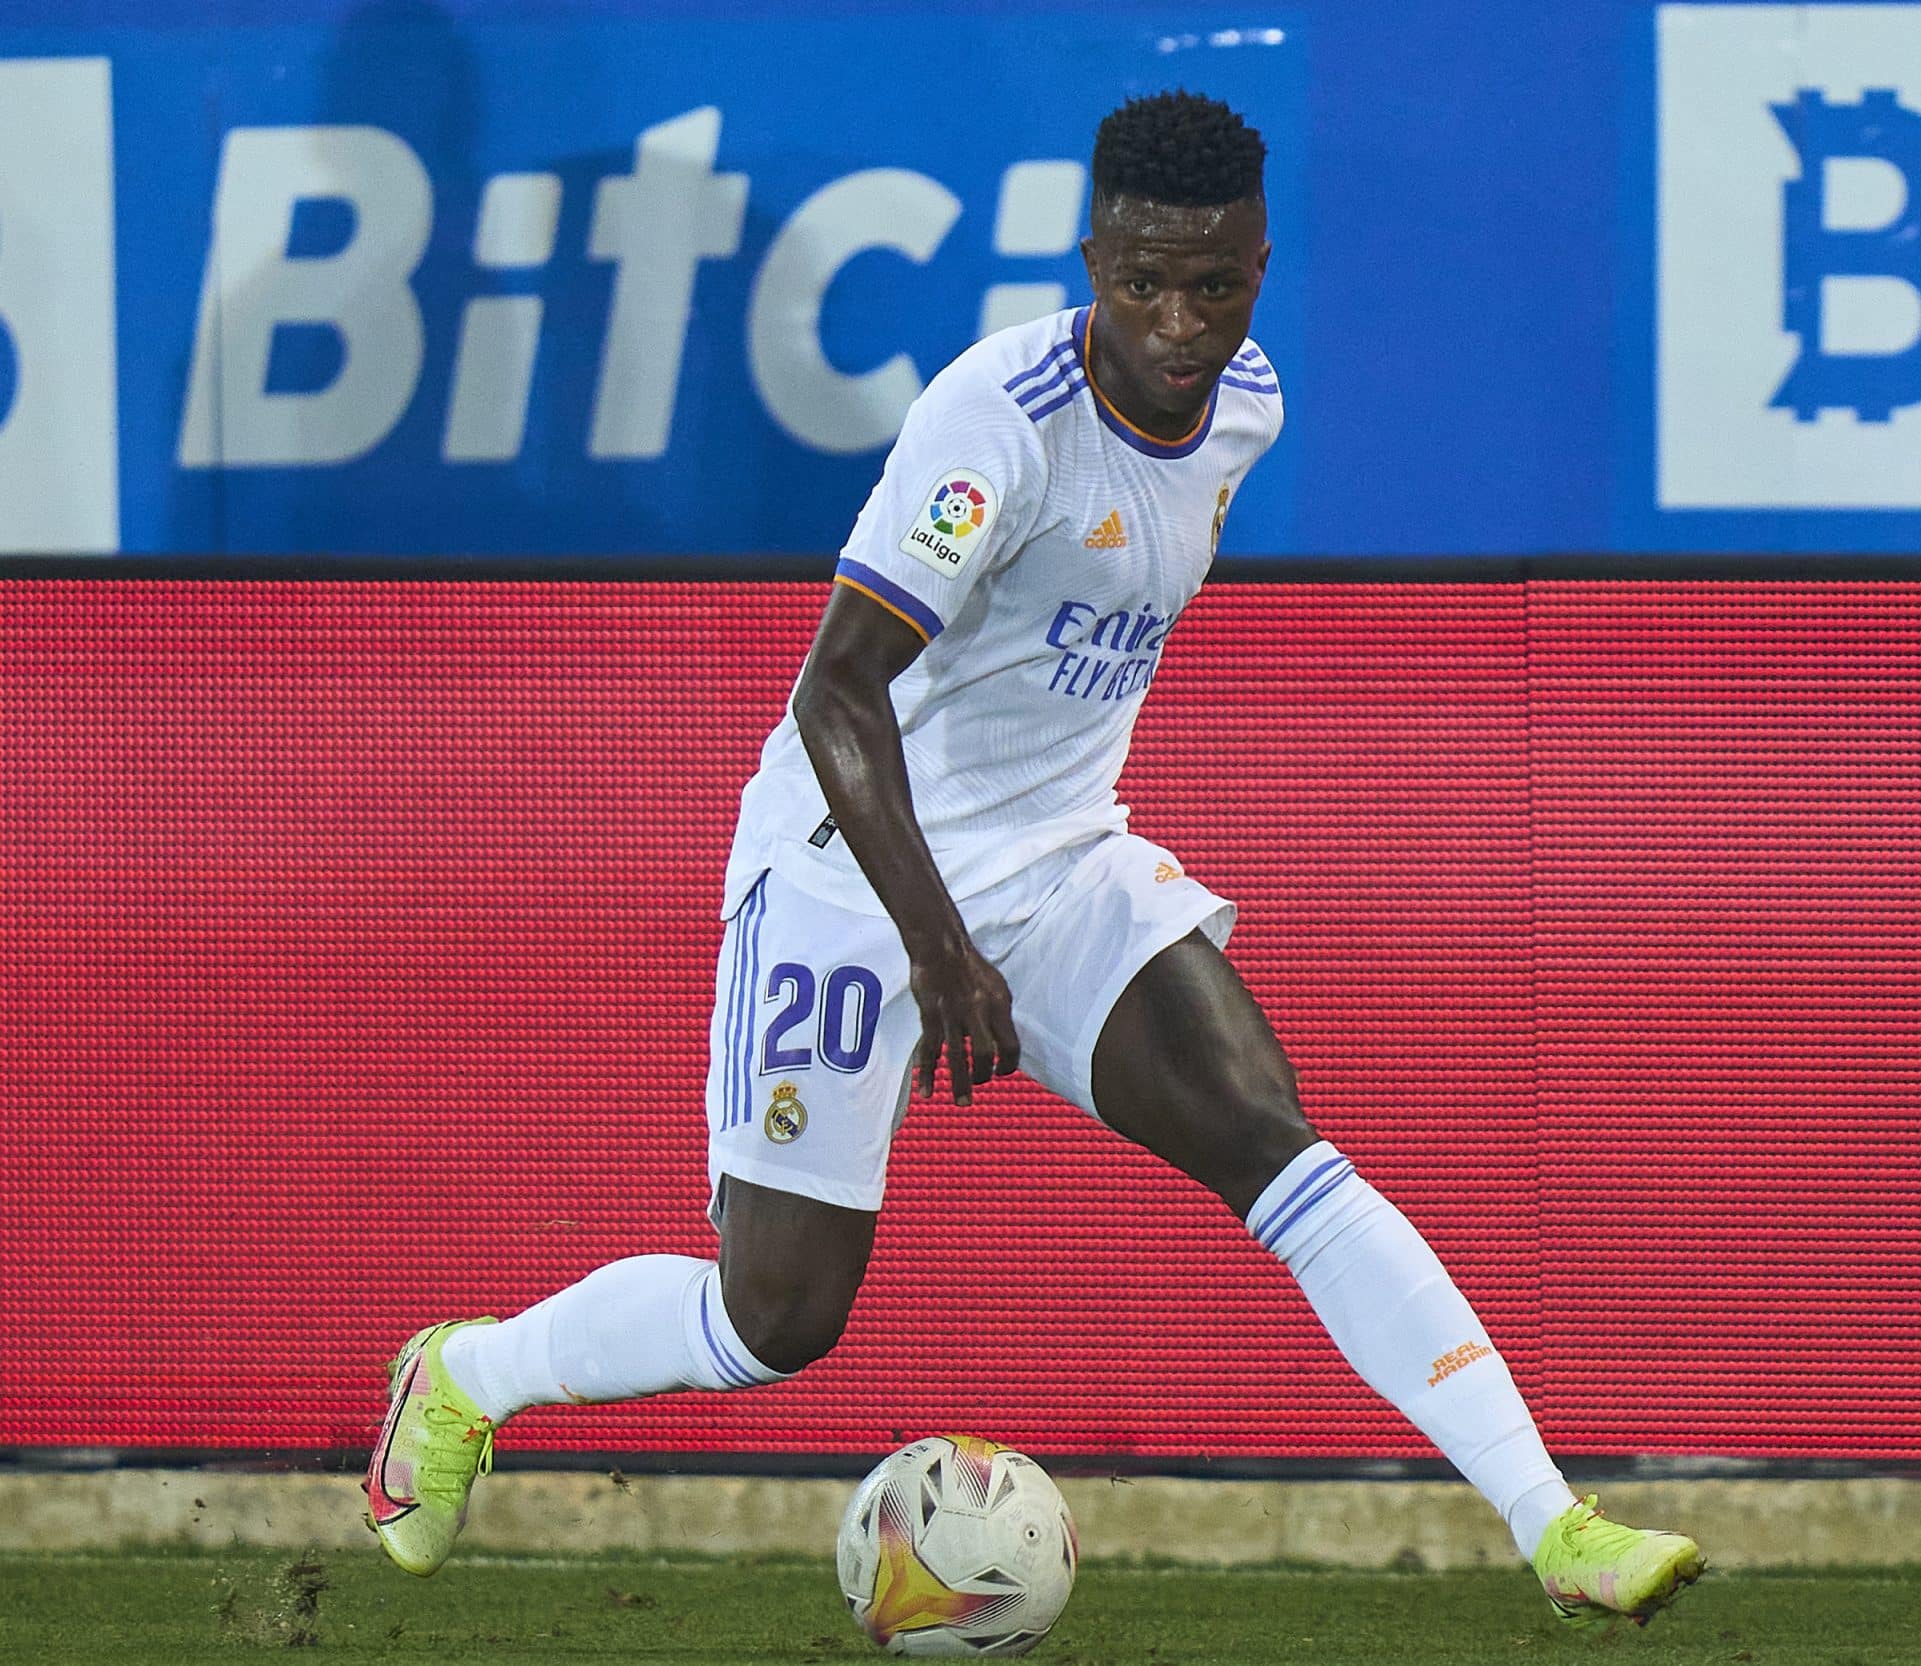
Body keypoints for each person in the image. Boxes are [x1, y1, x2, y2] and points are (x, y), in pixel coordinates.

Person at [364, 89, 1701, 1629]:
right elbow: (837, 692)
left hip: (1062, 863)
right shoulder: (994, 424)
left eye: (1215, 284)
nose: (1177, 323)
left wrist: (1013, 901)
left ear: (1263, 264)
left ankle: (1556, 1522)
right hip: (850, 871)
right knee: (775, 1315)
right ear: (1092, 259)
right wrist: (938, 948)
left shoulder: (1251, 406)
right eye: (1141, 282)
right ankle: (468, 1374)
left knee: (1276, 1137)